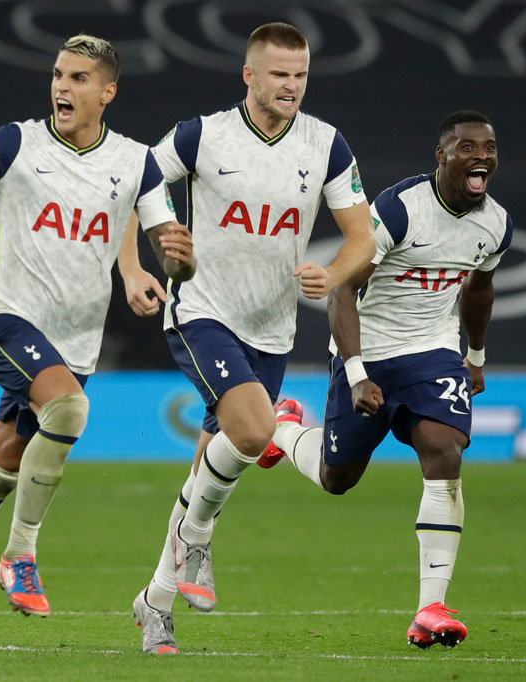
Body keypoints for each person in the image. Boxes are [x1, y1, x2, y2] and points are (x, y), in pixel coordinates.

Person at [0, 34, 196, 659]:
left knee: (1, 465)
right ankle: (20, 553)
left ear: (107, 92)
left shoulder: (137, 162)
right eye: (59, 74)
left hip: (74, 345)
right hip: (4, 317)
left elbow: (166, 236)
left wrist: (171, 266)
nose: (62, 86)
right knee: (69, 411)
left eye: (79, 78)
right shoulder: (16, 142)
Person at [131, 22, 376, 655]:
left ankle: (156, 601)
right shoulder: (202, 135)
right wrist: (151, 251)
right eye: (279, 74)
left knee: (223, 453)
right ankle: (203, 535)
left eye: (300, 75)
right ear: (249, 75)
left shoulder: (326, 145)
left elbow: (362, 238)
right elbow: (132, 180)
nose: (291, 85)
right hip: (202, 309)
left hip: (273, 327)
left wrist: (334, 272)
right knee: (251, 431)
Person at [268, 110, 511, 649]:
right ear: (442, 156)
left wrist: (474, 355)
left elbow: (477, 291)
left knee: (445, 450)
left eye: (489, 149)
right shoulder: (401, 211)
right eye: (468, 148)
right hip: (368, 351)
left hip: (431, 355)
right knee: (337, 479)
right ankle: (282, 429)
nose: (482, 158)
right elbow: (343, 290)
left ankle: (430, 607)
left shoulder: (495, 223)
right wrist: (355, 374)